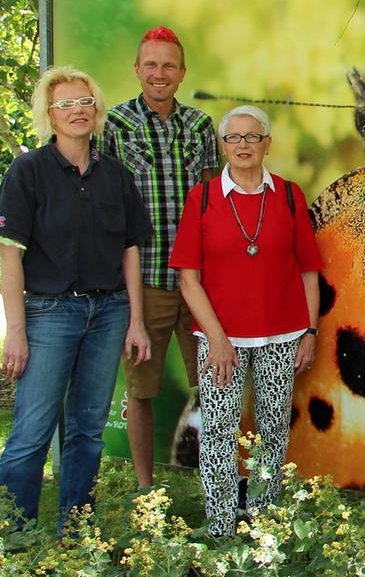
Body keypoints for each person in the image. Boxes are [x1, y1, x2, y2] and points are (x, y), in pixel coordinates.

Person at [0, 66, 152, 528]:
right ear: (49, 115)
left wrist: (136, 321)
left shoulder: (115, 175)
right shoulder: (28, 171)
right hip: (49, 314)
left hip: (108, 314)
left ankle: (76, 527)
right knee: (33, 432)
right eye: (65, 105)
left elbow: (130, 250)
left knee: (88, 432)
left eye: (84, 102)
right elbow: (10, 257)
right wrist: (16, 332)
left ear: (96, 109)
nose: (77, 111)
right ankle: (8, 533)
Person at [169, 105, 322, 536]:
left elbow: (309, 271)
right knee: (218, 431)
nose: (243, 145)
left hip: (282, 336)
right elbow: (188, 279)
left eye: (252, 137)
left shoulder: (290, 196)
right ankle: (220, 525)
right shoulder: (202, 199)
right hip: (221, 340)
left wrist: (309, 331)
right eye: (233, 138)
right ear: (222, 145)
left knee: (273, 427)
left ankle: (262, 519)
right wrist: (217, 339)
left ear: (267, 144)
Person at [101, 26, 219, 487]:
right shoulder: (115, 125)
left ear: (182, 73)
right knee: (141, 388)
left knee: (214, 383)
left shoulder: (200, 126)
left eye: (168, 65)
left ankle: (218, 478)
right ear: (137, 70)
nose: (159, 73)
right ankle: (145, 487)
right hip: (144, 279)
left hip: (197, 281)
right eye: (150, 64)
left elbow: (212, 199)